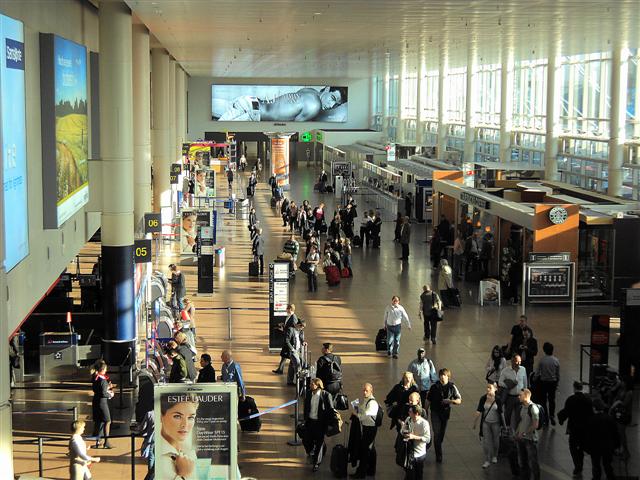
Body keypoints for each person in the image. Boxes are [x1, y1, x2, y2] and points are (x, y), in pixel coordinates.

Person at [219, 86, 347, 122]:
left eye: (336, 105)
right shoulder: (315, 105)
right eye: (332, 98)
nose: (331, 106)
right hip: (252, 112)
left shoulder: (310, 91)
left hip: (249, 102)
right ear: (326, 88)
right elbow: (296, 128)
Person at [157, 394, 198, 480]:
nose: (185, 425)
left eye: (190, 417)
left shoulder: (190, 452)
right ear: (161, 416)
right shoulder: (157, 458)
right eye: (177, 416)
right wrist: (184, 476)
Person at [425, 368, 461, 463]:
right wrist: (425, 411)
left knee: (441, 434)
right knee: (436, 433)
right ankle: (439, 455)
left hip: (445, 413)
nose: (442, 377)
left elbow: (459, 400)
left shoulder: (452, 387)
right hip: (435, 412)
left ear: (448, 376)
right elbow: (428, 400)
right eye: (440, 375)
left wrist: (450, 401)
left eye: (444, 375)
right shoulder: (434, 387)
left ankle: (438, 445)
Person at [558, 381, 593, 476]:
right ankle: (580, 464)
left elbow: (566, 412)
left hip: (573, 427)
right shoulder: (587, 399)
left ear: (574, 388)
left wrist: (561, 419)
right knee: (581, 447)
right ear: (581, 388)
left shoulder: (571, 399)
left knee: (572, 447)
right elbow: (591, 414)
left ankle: (577, 465)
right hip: (584, 428)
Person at [303, 378, 335, 472]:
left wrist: (330, 424)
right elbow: (306, 407)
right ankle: (311, 451)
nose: (310, 385)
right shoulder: (309, 394)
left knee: (319, 443)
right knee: (306, 439)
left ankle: (316, 463)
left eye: (312, 384)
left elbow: (330, 410)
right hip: (310, 421)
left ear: (318, 385)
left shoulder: (326, 395)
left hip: (320, 423)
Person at [350, 383, 380, 478]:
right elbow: (363, 411)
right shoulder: (366, 401)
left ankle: (361, 472)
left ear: (371, 390)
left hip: (370, 429)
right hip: (367, 428)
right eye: (363, 390)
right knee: (369, 450)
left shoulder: (372, 403)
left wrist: (356, 414)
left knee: (365, 450)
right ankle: (370, 470)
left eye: (366, 390)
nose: (364, 392)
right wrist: (357, 408)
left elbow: (364, 417)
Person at [473, 383, 505, 468]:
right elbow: (479, 410)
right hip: (486, 423)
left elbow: (501, 413)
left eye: (490, 388)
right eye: (487, 387)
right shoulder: (483, 398)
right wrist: (475, 422)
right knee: (486, 442)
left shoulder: (498, 399)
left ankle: (495, 455)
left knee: (495, 440)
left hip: (496, 423)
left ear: (495, 389)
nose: (488, 389)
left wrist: (504, 425)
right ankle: (487, 460)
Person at [588, 399, 620, 480]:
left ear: (594, 408)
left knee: (596, 465)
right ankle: (610, 477)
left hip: (595, 447)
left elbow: (589, 435)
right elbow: (615, 433)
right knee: (607, 464)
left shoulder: (591, 420)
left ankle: (596, 478)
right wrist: (617, 446)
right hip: (608, 446)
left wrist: (587, 448)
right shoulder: (609, 418)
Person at [400, 405, 431, 480]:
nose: (408, 413)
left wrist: (414, 437)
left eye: (410, 412)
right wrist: (403, 429)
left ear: (416, 413)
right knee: (410, 474)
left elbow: (427, 439)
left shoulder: (424, 423)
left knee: (418, 474)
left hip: (420, 454)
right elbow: (402, 431)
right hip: (410, 453)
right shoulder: (408, 419)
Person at [515, 388, 540, 480]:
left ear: (526, 396)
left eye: (520, 395)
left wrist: (524, 433)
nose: (518, 397)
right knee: (523, 461)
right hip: (521, 438)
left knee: (533, 462)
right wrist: (517, 432)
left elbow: (535, 425)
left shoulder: (533, 408)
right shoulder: (522, 407)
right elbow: (522, 421)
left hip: (530, 439)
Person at [499, 354, 528, 428]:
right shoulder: (505, 371)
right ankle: (506, 429)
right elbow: (500, 382)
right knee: (507, 414)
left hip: (519, 397)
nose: (519, 363)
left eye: (520, 361)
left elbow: (525, 382)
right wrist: (509, 385)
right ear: (512, 361)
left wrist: (525, 393)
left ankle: (517, 431)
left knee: (519, 415)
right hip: (510, 397)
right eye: (517, 362)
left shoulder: (523, 369)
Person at [534, 342, 559, 426]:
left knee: (543, 401)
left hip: (543, 383)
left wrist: (534, 379)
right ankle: (552, 415)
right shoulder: (556, 360)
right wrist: (557, 383)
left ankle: (546, 418)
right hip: (553, 383)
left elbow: (537, 373)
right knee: (552, 400)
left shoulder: (542, 361)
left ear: (544, 350)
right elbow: (558, 374)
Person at [91, 360, 114, 449]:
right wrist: (110, 394)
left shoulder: (95, 378)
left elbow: (99, 389)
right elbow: (104, 393)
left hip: (96, 401)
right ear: (103, 369)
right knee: (107, 421)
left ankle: (98, 441)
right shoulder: (103, 380)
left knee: (98, 422)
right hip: (102, 403)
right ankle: (107, 442)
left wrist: (107, 387)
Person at [273, 304, 299, 374]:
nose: (286, 310)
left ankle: (293, 370)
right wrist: (283, 327)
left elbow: (293, 329)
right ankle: (280, 369)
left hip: (289, 340)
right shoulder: (289, 316)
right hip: (287, 338)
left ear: (290, 309)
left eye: (287, 308)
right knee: (284, 355)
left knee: (289, 355)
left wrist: (285, 330)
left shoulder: (293, 318)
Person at [284, 319, 306, 386]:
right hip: (293, 350)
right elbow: (286, 340)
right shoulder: (291, 330)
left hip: (298, 349)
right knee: (298, 364)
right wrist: (292, 349)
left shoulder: (300, 330)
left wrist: (303, 342)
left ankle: (289, 381)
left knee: (292, 365)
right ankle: (299, 382)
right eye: (302, 327)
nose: (302, 329)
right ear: (299, 325)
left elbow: (301, 339)